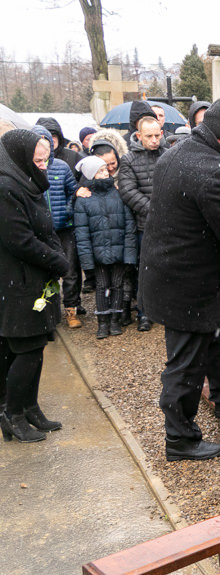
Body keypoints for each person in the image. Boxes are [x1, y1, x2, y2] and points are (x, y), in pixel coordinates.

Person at [140, 97, 220, 462]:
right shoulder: (215, 170)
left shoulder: (177, 153)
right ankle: (179, 439)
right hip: (186, 284)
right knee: (185, 362)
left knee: (219, 336)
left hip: (172, 273)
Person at [0, 129, 69, 443]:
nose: (44, 166)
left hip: (35, 279)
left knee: (36, 348)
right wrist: (57, 261)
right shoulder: (6, 188)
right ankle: (13, 414)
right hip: (20, 284)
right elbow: (20, 241)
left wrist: (55, 255)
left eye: (45, 160)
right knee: (26, 351)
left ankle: (31, 407)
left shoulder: (26, 183)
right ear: (21, 160)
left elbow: (43, 228)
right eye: (38, 161)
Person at [73, 156, 136, 339]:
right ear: (92, 175)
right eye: (100, 170)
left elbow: (128, 225)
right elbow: (82, 233)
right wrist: (87, 259)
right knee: (102, 286)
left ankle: (115, 319)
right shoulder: (84, 199)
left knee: (116, 285)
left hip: (118, 250)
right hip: (98, 252)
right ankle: (102, 322)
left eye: (105, 169)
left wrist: (129, 254)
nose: (106, 172)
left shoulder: (118, 194)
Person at [31, 124, 83, 329]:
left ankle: (71, 309)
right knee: (46, 273)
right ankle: (48, 313)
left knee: (70, 270)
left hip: (64, 228)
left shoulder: (61, 167)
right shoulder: (29, 169)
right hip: (40, 231)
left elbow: (74, 190)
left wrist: (70, 209)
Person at [118, 114, 165, 332]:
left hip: (169, 223)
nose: (154, 140)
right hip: (143, 225)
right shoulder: (128, 160)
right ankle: (145, 313)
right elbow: (128, 191)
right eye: (149, 136)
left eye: (157, 135)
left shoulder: (169, 154)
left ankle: (166, 310)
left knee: (168, 269)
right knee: (144, 271)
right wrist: (154, 210)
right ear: (139, 136)